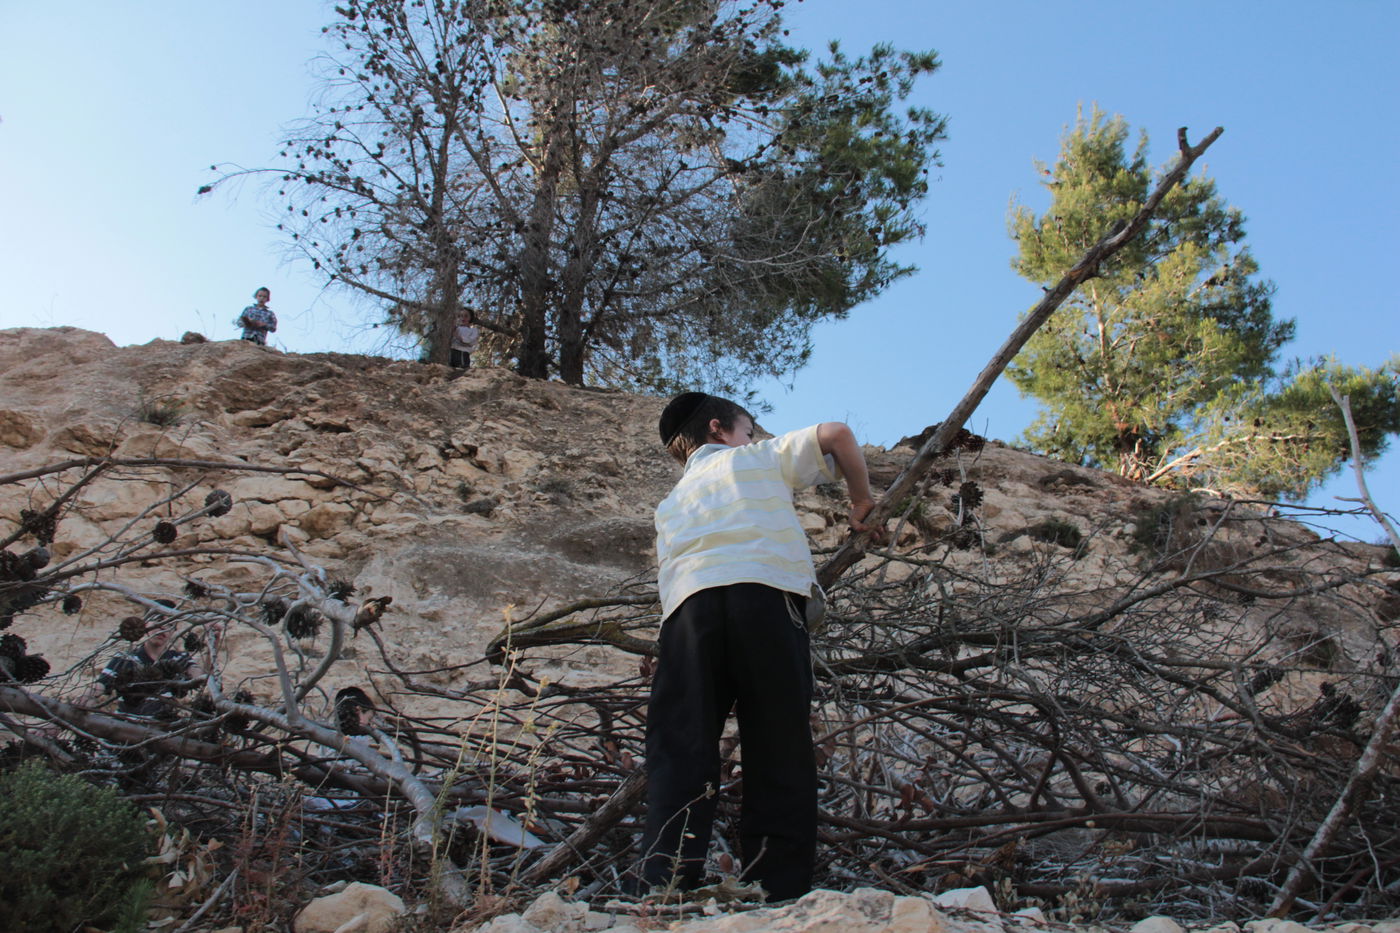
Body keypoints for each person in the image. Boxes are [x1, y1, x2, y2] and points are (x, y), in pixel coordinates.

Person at [636, 392, 883, 901]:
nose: (756, 438)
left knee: (680, 749)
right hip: (766, 599)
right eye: (750, 429)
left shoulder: (670, 504)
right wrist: (861, 500)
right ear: (718, 430)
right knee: (777, 745)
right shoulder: (754, 459)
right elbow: (837, 433)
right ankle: (777, 887)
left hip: (687, 613)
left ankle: (663, 885)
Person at [85, 619, 212, 718]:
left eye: (169, 624)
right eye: (158, 622)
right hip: (123, 731)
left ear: (174, 631)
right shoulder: (126, 658)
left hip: (161, 735)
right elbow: (102, 684)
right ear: (145, 626)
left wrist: (213, 643)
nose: (162, 627)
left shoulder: (178, 659)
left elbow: (199, 676)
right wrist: (86, 698)